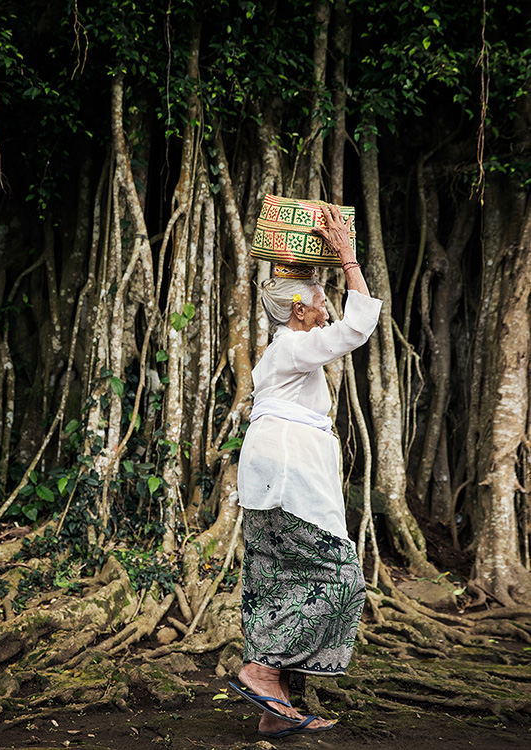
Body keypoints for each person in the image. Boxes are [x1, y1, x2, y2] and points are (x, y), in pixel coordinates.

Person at [229, 203, 382, 739]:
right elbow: (357, 328)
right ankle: (260, 671)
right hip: (289, 470)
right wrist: (347, 259)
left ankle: (275, 706)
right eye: (322, 303)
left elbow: (336, 322)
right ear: (298, 311)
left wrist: (313, 269)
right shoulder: (295, 346)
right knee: (341, 578)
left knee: (276, 580)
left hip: (271, 472)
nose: (328, 311)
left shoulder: (283, 349)